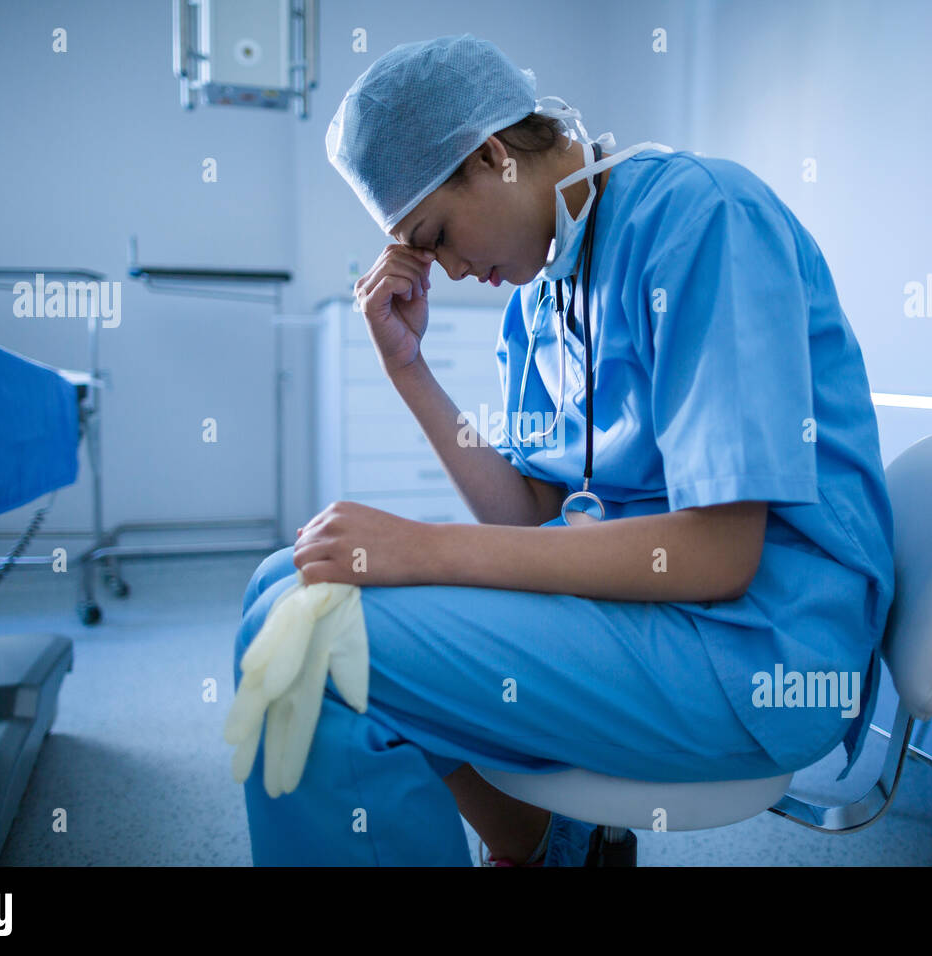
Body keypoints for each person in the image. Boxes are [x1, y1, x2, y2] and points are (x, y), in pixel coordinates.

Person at [234, 34, 895, 867]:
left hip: (756, 642)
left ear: (492, 154)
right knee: (284, 582)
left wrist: (426, 551)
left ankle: (543, 848)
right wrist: (409, 372)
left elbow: (719, 554)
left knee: (320, 646)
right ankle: (549, 850)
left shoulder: (702, 215)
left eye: (434, 233)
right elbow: (534, 514)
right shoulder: (540, 294)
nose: (444, 269)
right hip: (643, 613)